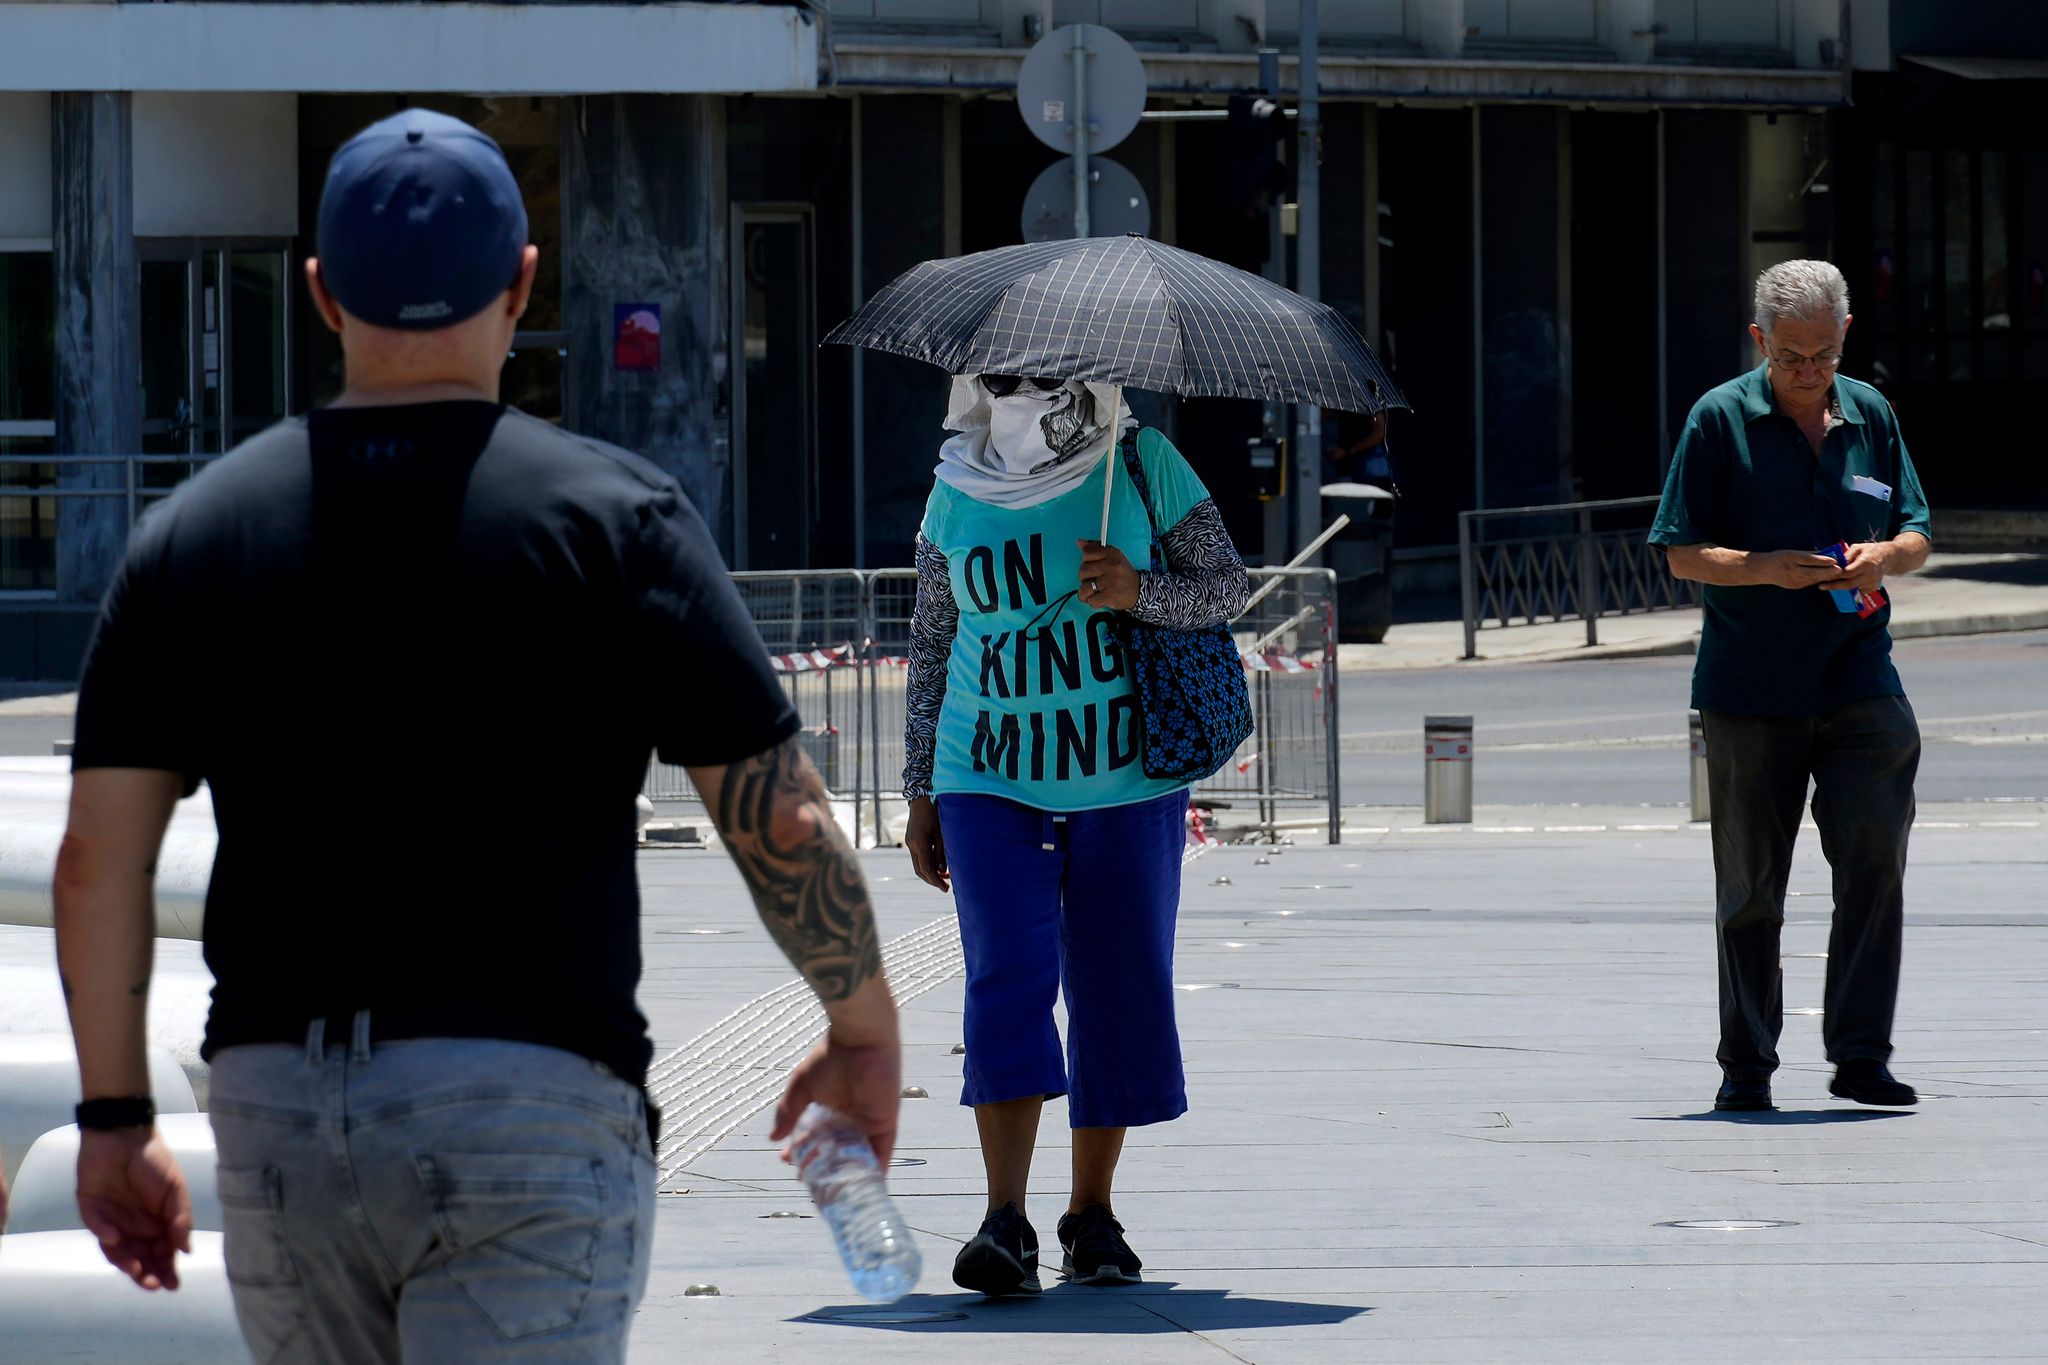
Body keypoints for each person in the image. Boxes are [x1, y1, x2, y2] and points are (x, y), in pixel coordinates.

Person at [53, 108, 899, 1362]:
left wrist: (116, 1116)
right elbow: (777, 816)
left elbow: (98, 858)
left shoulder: (194, 535)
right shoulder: (617, 520)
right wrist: (862, 1027)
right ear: (521, 282)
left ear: (323, 294)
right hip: (531, 1098)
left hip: (278, 1097)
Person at [900, 373, 1248, 1294]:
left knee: (1117, 986)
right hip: (986, 776)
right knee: (1004, 982)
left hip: (1126, 781)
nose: (1024, 389)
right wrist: (919, 789)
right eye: (1002, 374)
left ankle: (1090, 1213)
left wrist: (1138, 589)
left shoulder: (1143, 460)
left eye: (1047, 370)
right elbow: (934, 642)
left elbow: (1227, 588)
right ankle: (1002, 1218)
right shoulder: (954, 483)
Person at [1650, 259, 1931, 1115]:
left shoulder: (1871, 413)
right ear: (1759, 341)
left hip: (1858, 671)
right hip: (1750, 686)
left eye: (1824, 354)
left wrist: (1885, 555)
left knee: (1876, 855)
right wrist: (1764, 568)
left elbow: (1917, 530)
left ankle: (1860, 1056)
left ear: (1845, 338)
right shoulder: (1718, 420)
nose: (1810, 373)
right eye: (1792, 357)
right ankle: (1747, 1065)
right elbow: (1679, 551)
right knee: (1750, 886)